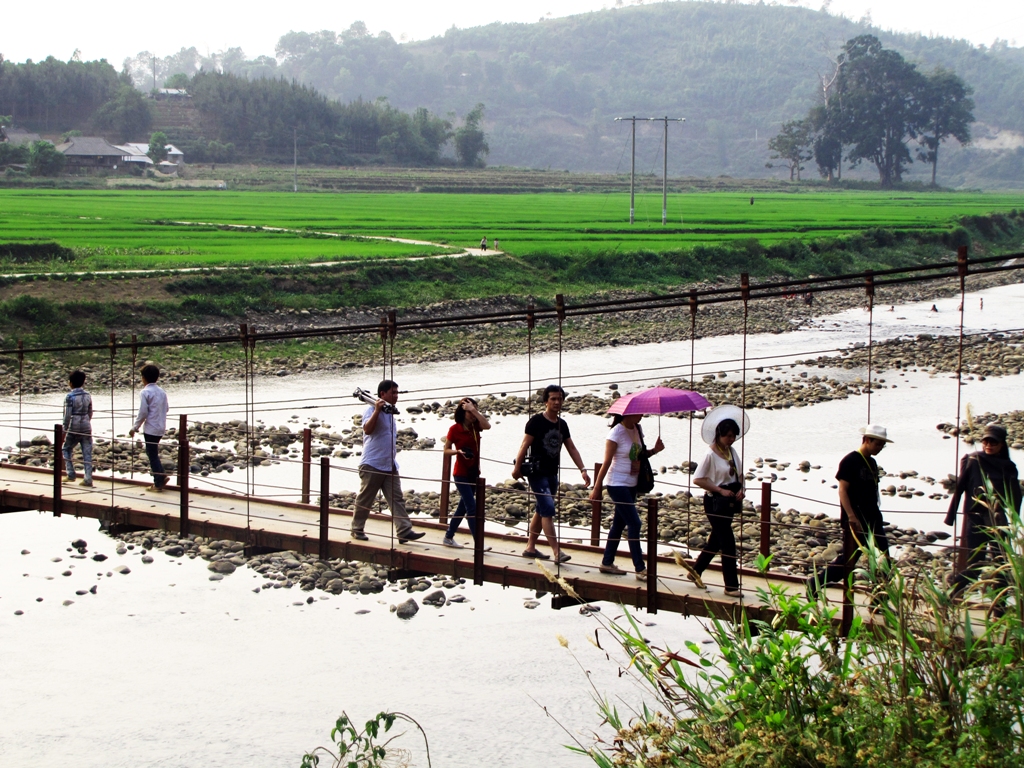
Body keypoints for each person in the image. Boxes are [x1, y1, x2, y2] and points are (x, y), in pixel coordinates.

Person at [807, 425, 893, 596]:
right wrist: (851, 516)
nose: (880, 449)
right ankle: (815, 584)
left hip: (873, 517)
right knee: (848, 560)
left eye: (882, 446)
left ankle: (878, 601)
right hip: (856, 519)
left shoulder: (872, 462)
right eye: (878, 444)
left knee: (884, 561)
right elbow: (843, 490)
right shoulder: (850, 461)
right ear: (867, 440)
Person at [512, 385, 591, 562]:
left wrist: (583, 469)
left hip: (552, 473)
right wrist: (517, 467)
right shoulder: (536, 421)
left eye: (559, 399)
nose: (557, 402)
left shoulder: (562, 424)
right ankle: (557, 552)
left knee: (541, 510)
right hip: (537, 473)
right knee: (548, 509)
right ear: (546, 401)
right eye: (553, 399)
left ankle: (530, 547)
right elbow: (524, 445)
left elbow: (571, 447)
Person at [945, 423, 1021, 596]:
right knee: (975, 564)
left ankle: (998, 609)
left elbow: (1015, 495)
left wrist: (1015, 519)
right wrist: (951, 516)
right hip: (976, 519)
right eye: (985, 442)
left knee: (1002, 565)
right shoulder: (973, 460)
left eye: (993, 443)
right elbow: (961, 487)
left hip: (998, 519)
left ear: (1002, 444)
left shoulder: (1008, 467)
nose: (988, 445)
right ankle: (950, 595)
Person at [589, 413, 664, 578]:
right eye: (639, 412)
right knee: (635, 524)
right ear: (628, 413)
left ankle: (607, 563)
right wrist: (597, 487)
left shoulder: (637, 429)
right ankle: (640, 569)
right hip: (617, 484)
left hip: (632, 484)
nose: (642, 415)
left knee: (618, 525)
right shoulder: (616, 433)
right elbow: (607, 462)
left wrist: (655, 450)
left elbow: (641, 456)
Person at [351, 380, 425, 543]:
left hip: (389, 464)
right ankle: (357, 529)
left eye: (397, 392)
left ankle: (404, 530)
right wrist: (377, 410)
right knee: (366, 498)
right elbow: (368, 430)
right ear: (382, 394)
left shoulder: (390, 413)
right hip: (372, 463)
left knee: (396, 498)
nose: (396, 396)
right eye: (393, 392)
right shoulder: (371, 409)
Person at [689, 406, 748, 597]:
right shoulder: (710, 454)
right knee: (728, 542)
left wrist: (742, 489)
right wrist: (719, 489)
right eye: (727, 436)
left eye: (733, 436)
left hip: (730, 500)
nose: (730, 440)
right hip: (715, 501)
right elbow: (698, 479)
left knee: (716, 541)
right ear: (719, 435)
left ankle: (696, 571)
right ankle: (731, 586)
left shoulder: (731, 452)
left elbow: (739, 473)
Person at [443, 397, 491, 548]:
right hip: (461, 473)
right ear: (462, 412)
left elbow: (487, 425)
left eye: (474, 410)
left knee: (462, 507)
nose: (472, 414)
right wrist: (457, 451)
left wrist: (474, 410)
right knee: (472, 507)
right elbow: (446, 450)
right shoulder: (455, 429)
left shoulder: (476, 426)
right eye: (469, 411)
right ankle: (479, 544)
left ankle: (448, 537)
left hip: (473, 472)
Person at [129, 363, 169, 492]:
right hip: (161, 427)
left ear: (144, 378)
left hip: (151, 428)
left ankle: (158, 482)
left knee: (152, 454)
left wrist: (135, 427)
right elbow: (166, 408)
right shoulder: (162, 392)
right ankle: (161, 475)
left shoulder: (145, 392)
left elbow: (143, 412)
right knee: (153, 452)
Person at [62, 370, 94, 487]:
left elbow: (67, 415)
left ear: (70, 383)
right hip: (86, 425)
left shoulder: (70, 396)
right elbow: (90, 412)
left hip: (74, 426)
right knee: (87, 452)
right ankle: (88, 478)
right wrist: (86, 420)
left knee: (66, 449)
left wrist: (64, 429)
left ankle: (70, 474)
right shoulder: (87, 395)